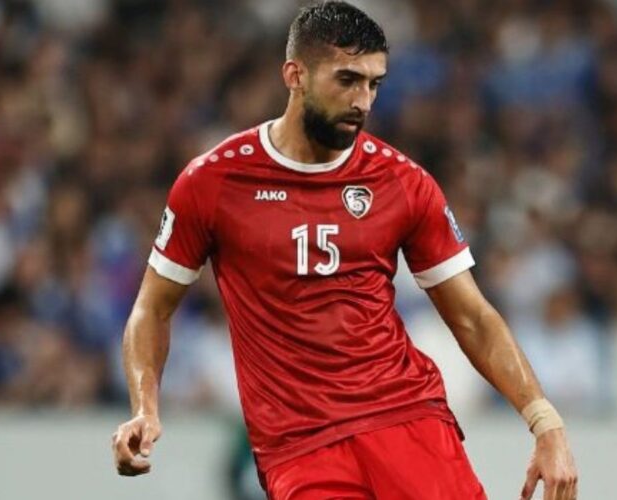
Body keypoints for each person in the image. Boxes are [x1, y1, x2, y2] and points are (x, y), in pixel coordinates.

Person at [111, 2, 578, 499]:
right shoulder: (213, 182)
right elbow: (152, 308)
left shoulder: (402, 183)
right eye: (348, 80)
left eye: (374, 83)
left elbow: (473, 318)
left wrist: (544, 422)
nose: (364, 100)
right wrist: (145, 406)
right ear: (295, 74)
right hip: (299, 445)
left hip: (406, 420)